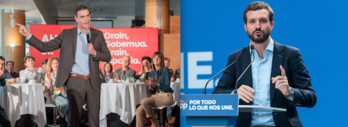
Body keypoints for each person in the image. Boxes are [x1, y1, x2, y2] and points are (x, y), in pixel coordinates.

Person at [212, 2, 317, 127]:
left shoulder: (291, 55)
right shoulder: (236, 58)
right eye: (252, 22)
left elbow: (311, 98)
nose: (257, 26)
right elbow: (217, 94)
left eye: (262, 21)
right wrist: (234, 94)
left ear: (271, 24)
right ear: (245, 26)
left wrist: (289, 92)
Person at [17, 5, 111, 127]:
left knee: (94, 119)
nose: (86, 19)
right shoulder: (67, 34)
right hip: (74, 81)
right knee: (74, 119)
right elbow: (45, 47)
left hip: (93, 82)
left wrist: (94, 52)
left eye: (88, 15)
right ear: (76, 19)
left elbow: (107, 57)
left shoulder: (98, 35)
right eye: (82, 17)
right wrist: (28, 35)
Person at [136, 52, 174, 127]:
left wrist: (157, 83)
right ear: (152, 60)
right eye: (154, 58)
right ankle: (154, 122)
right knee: (138, 111)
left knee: (144, 101)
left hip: (166, 96)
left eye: (158, 58)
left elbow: (167, 87)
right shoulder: (151, 73)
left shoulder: (165, 70)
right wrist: (150, 86)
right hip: (155, 96)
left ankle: (154, 122)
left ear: (161, 60)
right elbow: (151, 91)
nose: (156, 59)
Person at [44, 57, 68, 126]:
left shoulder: (62, 73)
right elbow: (49, 88)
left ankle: (66, 121)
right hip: (54, 96)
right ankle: (61, 116)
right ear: (50, 65)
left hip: (64, 95)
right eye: (53, 63)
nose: (55, 65)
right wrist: (50, 81)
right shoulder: (48, 75)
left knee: (70, 106)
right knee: (66, 103)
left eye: (56, 63)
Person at [0, 56, 12, 127]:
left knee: (6, 122)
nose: (1, 66)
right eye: (0, 64)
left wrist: (1, 76)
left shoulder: (3, 72)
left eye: (3, 64)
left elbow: (3, 84)